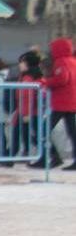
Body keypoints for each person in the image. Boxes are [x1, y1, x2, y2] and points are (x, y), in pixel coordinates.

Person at [33, 36, 76, 169]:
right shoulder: (72, 61)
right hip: (71, 102)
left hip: (61, 103)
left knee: (43, 130)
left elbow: (62, 79)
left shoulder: (61, 62)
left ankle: (50, 157)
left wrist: (46, 82)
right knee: (72, 133)